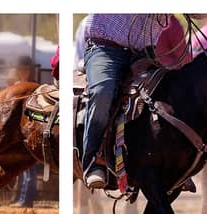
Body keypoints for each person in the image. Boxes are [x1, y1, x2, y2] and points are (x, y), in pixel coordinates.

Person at [78, 13, 188, 190]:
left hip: (145, 53)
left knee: (174, 94)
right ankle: (93, 161)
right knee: (102, 92)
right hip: (105, 47)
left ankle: (175, 164)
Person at [9, 57, 41, 209]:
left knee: (28, 169)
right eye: (21, 69)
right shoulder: (19, 86)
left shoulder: (35, 87)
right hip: (19, 131)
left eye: (26, 69)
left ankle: (26, 199)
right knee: (22, 168)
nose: (24, 72)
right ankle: (21, 198)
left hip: (29, 130)